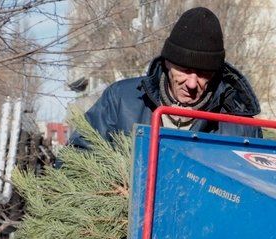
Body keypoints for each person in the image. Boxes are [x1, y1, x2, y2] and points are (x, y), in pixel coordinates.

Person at [69, 7, 262, 148]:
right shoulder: (120, 100)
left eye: (203, 74)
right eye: (185, 70)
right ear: (168, 63)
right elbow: (77, 158)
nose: (192, 83)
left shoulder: (242, 127)